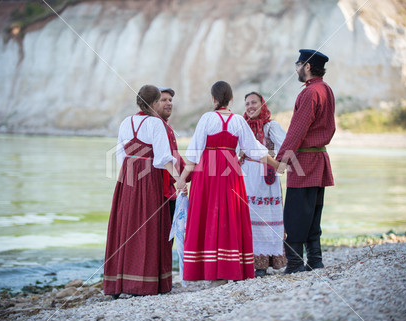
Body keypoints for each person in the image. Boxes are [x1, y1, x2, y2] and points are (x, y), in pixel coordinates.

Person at [176, 81, 279, 284]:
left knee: (206, 216)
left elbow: (194, 154)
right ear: (231, 99)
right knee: (230, 215)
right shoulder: (238, 121)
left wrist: (181, 180)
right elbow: (254, 150)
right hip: (231, 170)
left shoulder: (207, 118)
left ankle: (209, 270)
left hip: (207, 171)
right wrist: (276, 164)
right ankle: (229, 269)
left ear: (213, 99)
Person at [103, 85, 180, 298]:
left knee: (126, 227)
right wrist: (179, 181)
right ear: (155, 103)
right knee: (150, 228)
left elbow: (120, 155)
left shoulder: (126, 122)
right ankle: (145, 284)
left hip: (127, 178)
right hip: (149, 180)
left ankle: (120, 282)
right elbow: (163, 158)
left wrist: (129, 173)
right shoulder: (156, 123)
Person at [276, 49, 335, 274]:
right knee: (313, 212)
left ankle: (294, 264)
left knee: (295, 214)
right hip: (319, 158)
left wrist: (282, 159)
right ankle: (315, 260)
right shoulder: (326, 89)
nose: (296, 69)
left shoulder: (309, 93)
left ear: (307, 67)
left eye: (298, 64)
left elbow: (297, 130)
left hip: (305, 161)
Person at [241, 91, 287, 277]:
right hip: (246, 176)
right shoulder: (242, 125)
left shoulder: (271, 126)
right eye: (247, 103)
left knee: (266, 217)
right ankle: (249, 262)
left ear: (262, 104)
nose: (250, 106)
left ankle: (264, 263)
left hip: (266, 178)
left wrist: (279, 164)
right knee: (248, 217)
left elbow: (286, 145)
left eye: (254, 102)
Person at [156, 87, 190, 221]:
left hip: (170, 192)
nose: (169, 103)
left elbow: (176, 158)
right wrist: (181, 180)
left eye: (170, 100)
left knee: (168, 238)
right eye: (163, 100)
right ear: (153, 103)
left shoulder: (166, 126)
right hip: (159, 194)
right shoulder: (155, 126)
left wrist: (196, 170)